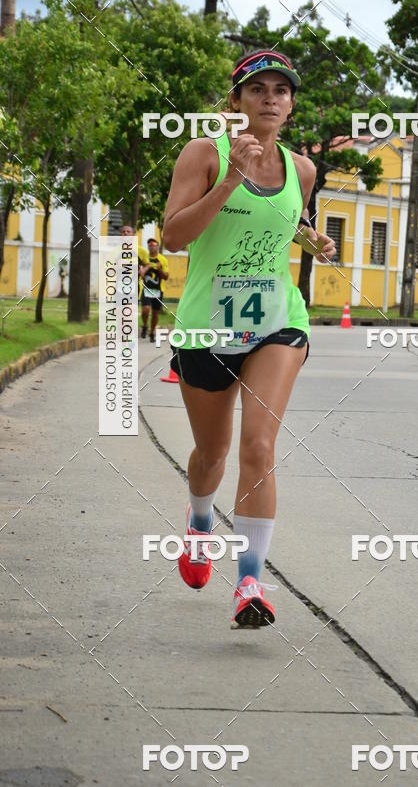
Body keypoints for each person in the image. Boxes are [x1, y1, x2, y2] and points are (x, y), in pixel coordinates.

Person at [162, 50, 336, 629]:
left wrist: (312, 241)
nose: (270, 98)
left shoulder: (303, 170)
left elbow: (287, 223)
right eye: (257, 88)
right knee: (211, 454)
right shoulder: (203, 153)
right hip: (208, 327)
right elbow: (172, 237)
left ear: (290, 104)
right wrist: (231, 179)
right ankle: (199, 519)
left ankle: (250, 583)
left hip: (276, 323)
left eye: (281, 90)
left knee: (259, 448)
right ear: (235, 100)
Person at [139, 238, 169, 342]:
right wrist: (142, 271)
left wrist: (159, 268)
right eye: (150, 245)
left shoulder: (163, 259)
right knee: (145, 310)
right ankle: (145, 325)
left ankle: (152, 332)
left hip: (158, 290)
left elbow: (166, 277)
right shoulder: (144, 257)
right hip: (146, 289)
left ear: (158, 246)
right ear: (148, 247)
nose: (152, 246)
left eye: (154, 245)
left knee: (155, 313)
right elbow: (140, 273)